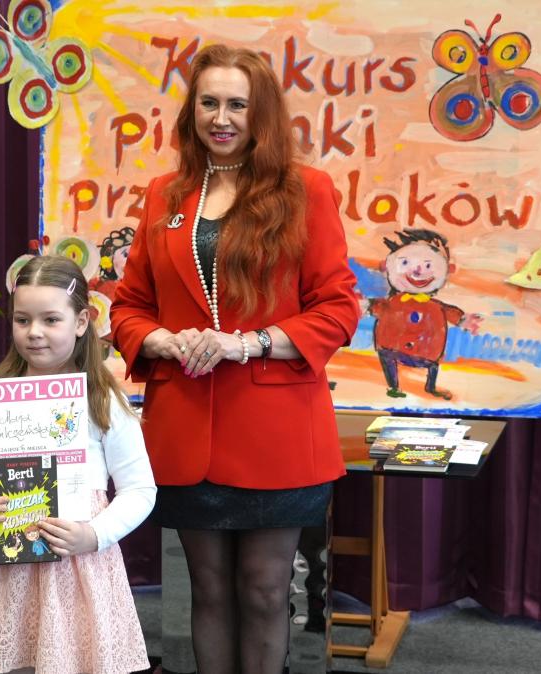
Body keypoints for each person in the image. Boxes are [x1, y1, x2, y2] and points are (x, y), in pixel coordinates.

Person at [110, 43, 360, 674]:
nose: (221, 118)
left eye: (237, 105)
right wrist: (161, 340)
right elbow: (129, 306)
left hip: (277, 431)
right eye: (209, 103)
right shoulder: (165, 194)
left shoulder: (306, 190)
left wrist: (244, 343)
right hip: (185, 422)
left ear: (261, 113)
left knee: (265, 590)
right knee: (210, 589)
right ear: (192, 110)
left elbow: (337, 309)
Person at [0, 256, 156, 674]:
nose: (34, 332)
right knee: (10, 659)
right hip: (7, 568)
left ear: (81, 322)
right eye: (22, 320)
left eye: (51, 320)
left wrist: (93, 535)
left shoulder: (103, 401)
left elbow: (140, 490)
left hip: (78, 563)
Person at [369, 228, 483, 399]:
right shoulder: (392, 302)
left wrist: (464, 320)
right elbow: (376, 307)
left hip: (426, 352)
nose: (417, 271)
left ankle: (430, 387)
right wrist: (363, 306)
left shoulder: (435, 306)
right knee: (386, 357)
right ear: (387, 266)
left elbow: (451, 313)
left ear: (447, 270)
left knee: (432, 366)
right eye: (405, 263)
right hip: (391, 346)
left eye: (428, 265)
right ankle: (393, 386)